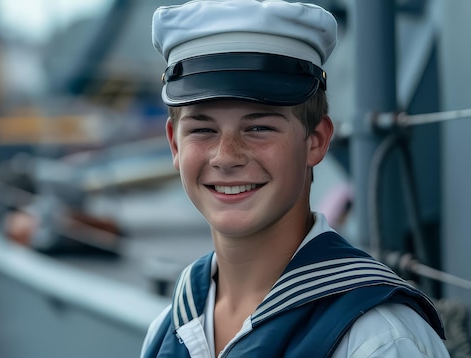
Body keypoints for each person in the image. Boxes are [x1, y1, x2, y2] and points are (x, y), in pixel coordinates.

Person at [140, 0, 449, 357]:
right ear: (174, 144)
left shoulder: (377, 339)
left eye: (259, 127)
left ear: (316, 140)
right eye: (202, 129)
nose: (226, 156)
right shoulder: (168, 328)